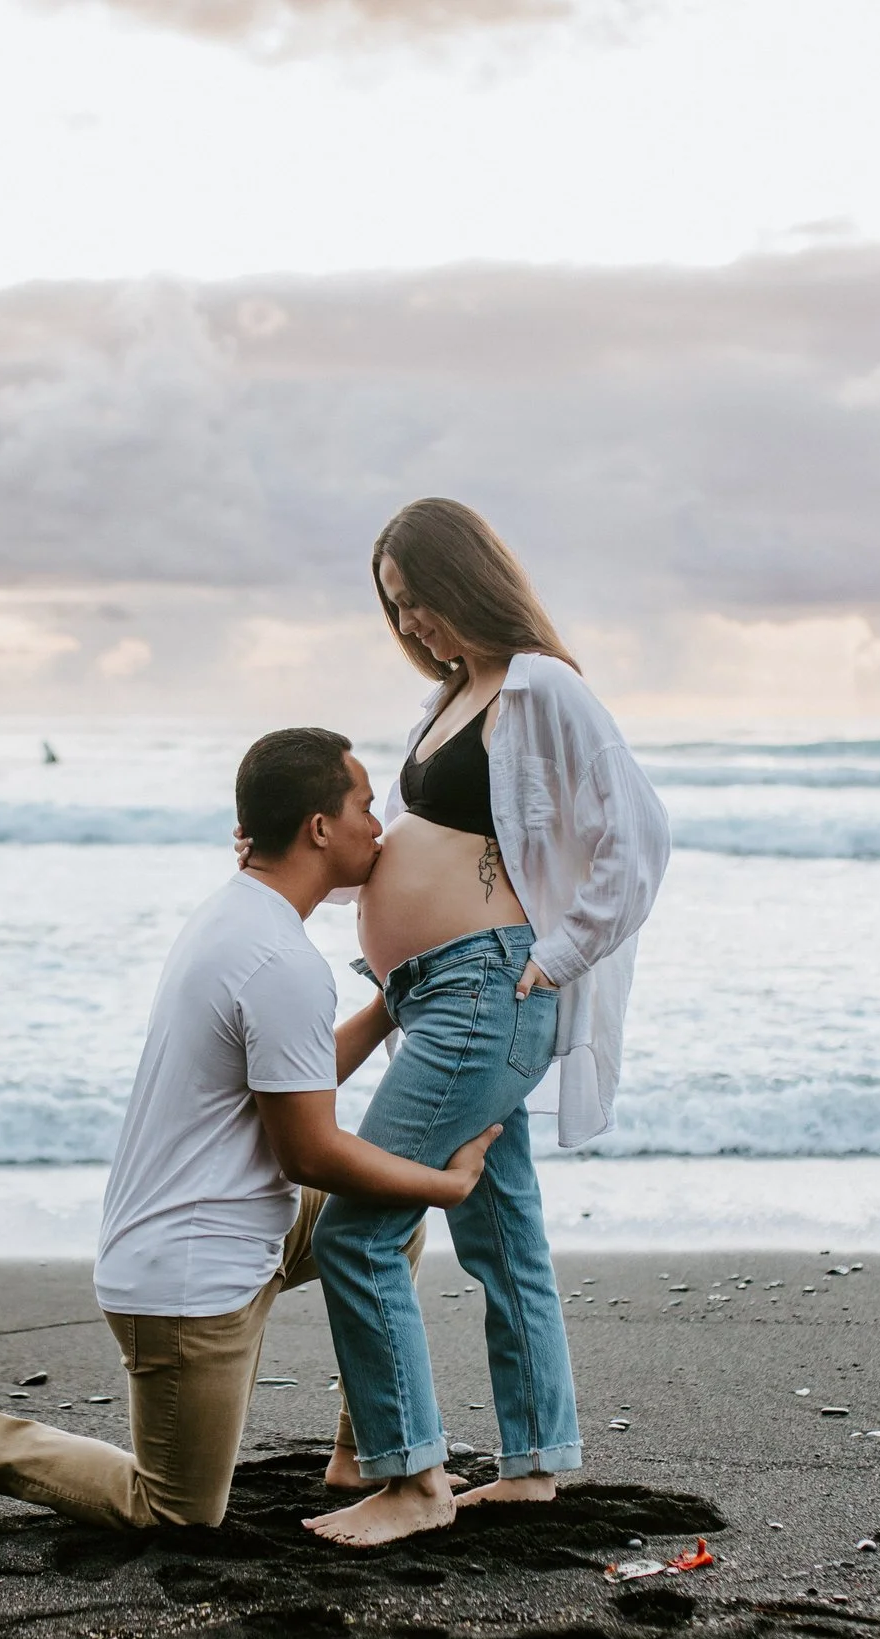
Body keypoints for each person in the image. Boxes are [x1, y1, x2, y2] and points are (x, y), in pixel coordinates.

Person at [0, 727, 502, 1529]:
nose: (379, 824)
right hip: (187, 1276)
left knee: (385, 1227)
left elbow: (293, 1076)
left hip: (244, 1221)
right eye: (362, 805)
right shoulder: (277, 960)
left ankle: (369, 1450)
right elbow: (308, 1148)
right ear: (319, 827)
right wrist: (447, 1184)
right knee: (177, 1509)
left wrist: (388, 1002)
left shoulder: (242, 915)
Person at [300, 498, 672, 1547]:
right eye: (395, 608)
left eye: (419, 598)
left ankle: (411, 1477)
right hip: (440, 997)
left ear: (467, 580)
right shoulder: (457, 696)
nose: (411, 624)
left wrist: (555, 957)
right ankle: (536, 1460)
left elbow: (636, 835)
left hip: (490, 992)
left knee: (355, 1227)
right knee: (501, 1236)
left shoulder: (542, 685)